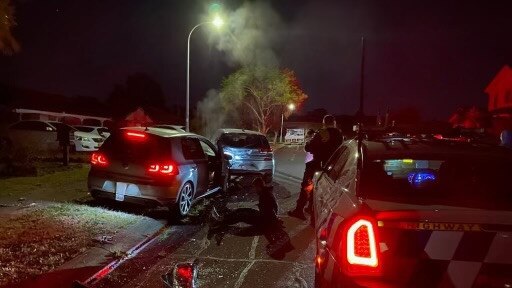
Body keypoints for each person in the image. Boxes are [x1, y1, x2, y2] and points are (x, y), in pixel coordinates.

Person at [288, 115, 344, 220]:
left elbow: (309, 147)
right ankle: (311, 208)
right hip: (333, 166)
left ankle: (299, 210)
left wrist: (309, 140)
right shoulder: (339, 134)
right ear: (334, 122)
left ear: (324, 122)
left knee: (306, 185)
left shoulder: (322, 133)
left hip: (319, 164)